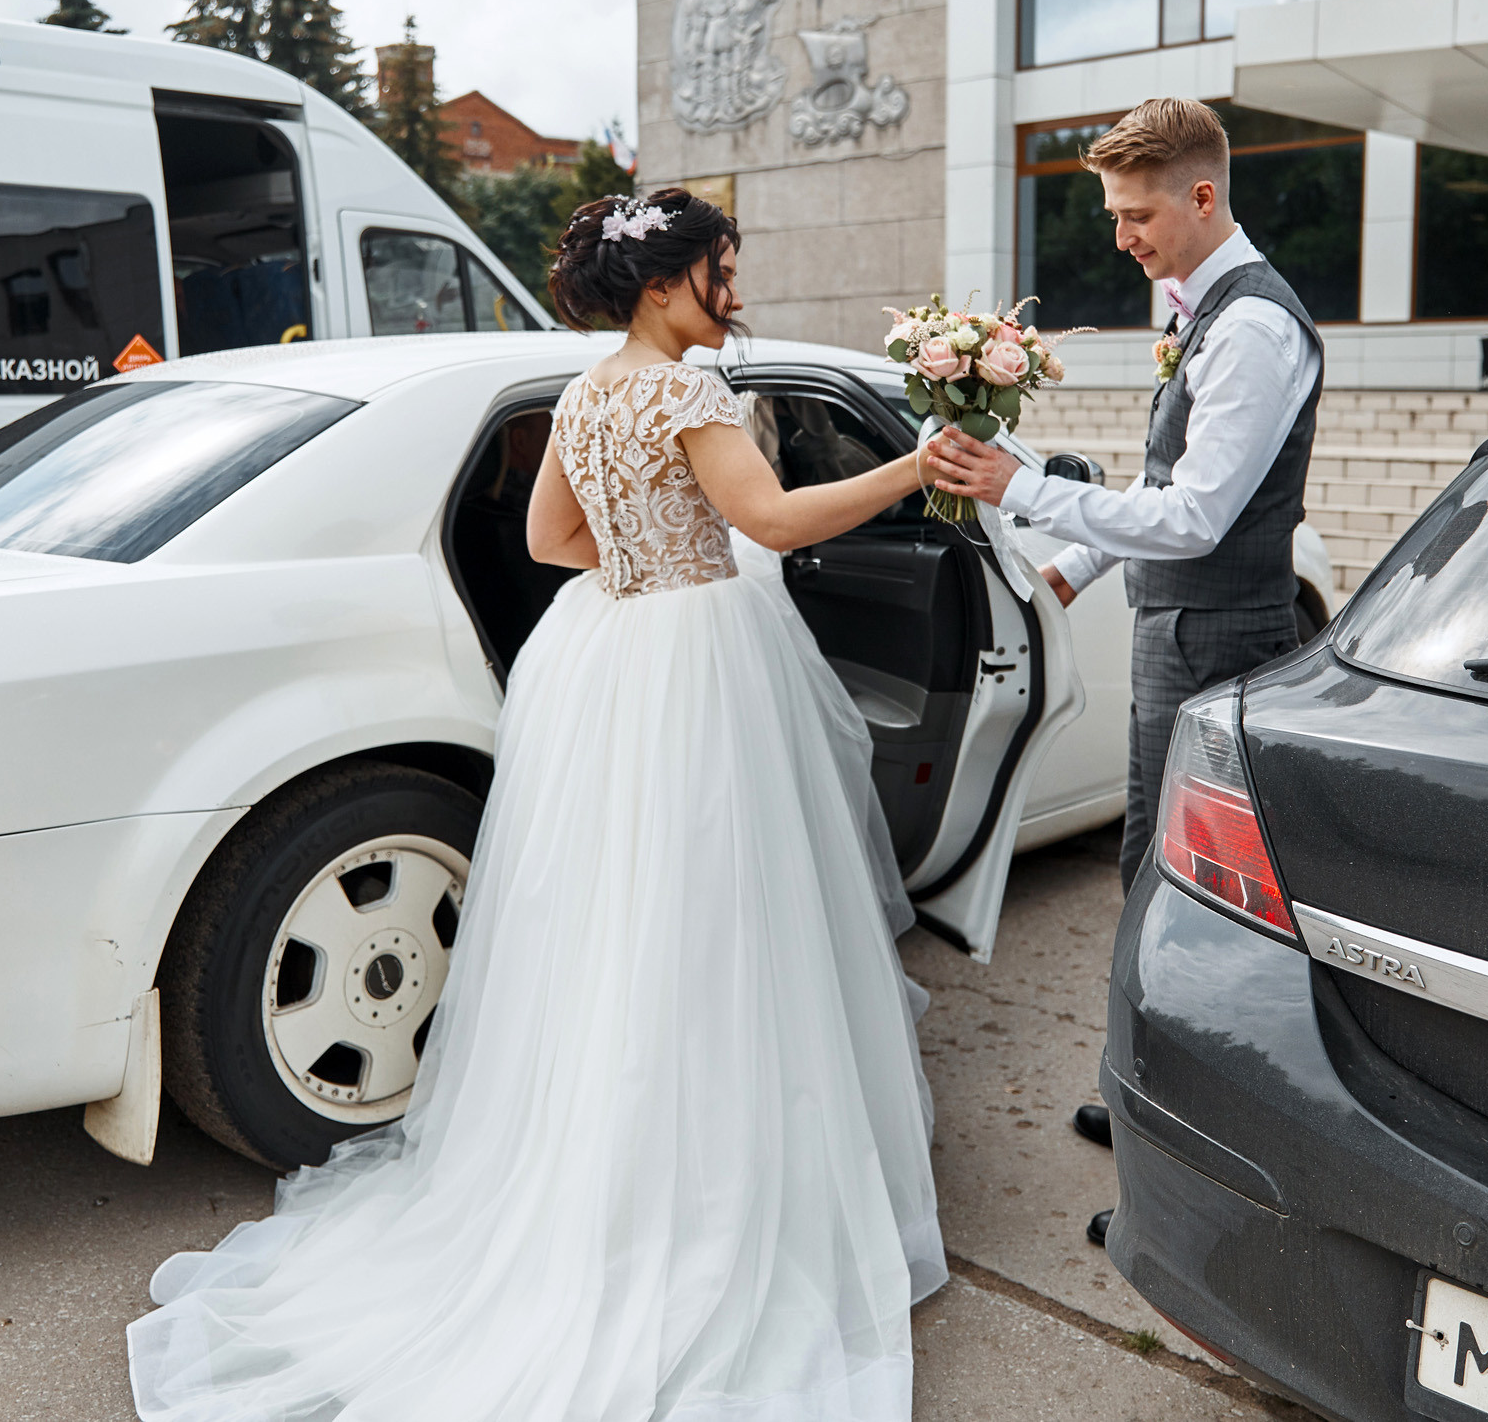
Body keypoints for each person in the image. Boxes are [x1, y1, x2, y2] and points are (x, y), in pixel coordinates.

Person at [127, 188, 947, 1422]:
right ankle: (711, 1196)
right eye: (721, 272)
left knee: (608, 924)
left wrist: (645, 553)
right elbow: (773, 521)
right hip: (696, 661)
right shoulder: (688, 395)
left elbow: (552, 539)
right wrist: (917, 465)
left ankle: (591, 1175)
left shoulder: (585, 393)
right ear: (664, 287)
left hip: (606, 654)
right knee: (717, 921)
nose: (734, 292)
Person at [921, 97, 1321, 1249]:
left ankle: (1177, 1158)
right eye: (1112, 215)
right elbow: (1163, 481)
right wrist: (1069, 569)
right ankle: (1146, 1081)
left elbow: (1194, 518)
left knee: (1187, 896)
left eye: (1135, 214)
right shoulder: (1205, 311)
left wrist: (1022, 489)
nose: (1121, 237)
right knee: (1150, 874)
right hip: (1179, 626)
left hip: (1215, 635)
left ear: (1202, 195)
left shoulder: (1251, 327)